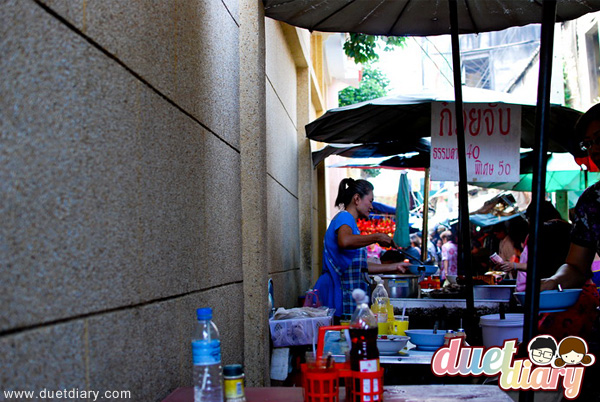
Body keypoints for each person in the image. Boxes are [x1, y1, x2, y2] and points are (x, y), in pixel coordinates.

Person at [314, 178, 409, 320]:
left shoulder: (351, 224)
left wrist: (394, 267)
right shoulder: (344, 217)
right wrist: (376, 237)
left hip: (342, 292)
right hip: (333, 291)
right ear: (357, 199)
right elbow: (344, 242)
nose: (371, 206)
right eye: (370, 201)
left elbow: (359, 267)